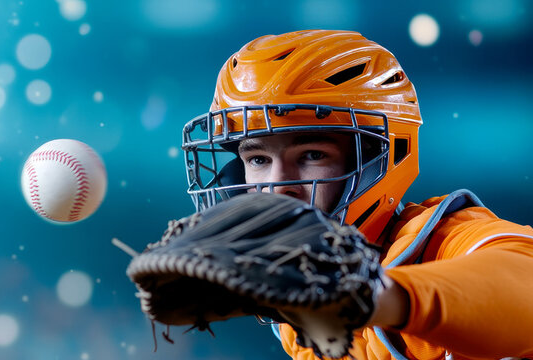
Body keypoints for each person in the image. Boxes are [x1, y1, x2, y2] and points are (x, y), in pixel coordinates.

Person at [180, 30, 533, 359]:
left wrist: (369, 295)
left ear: (380, 160)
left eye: (312, 155)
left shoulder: (442, 246)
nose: (278, 186)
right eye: (258, 159)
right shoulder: (291, 311)